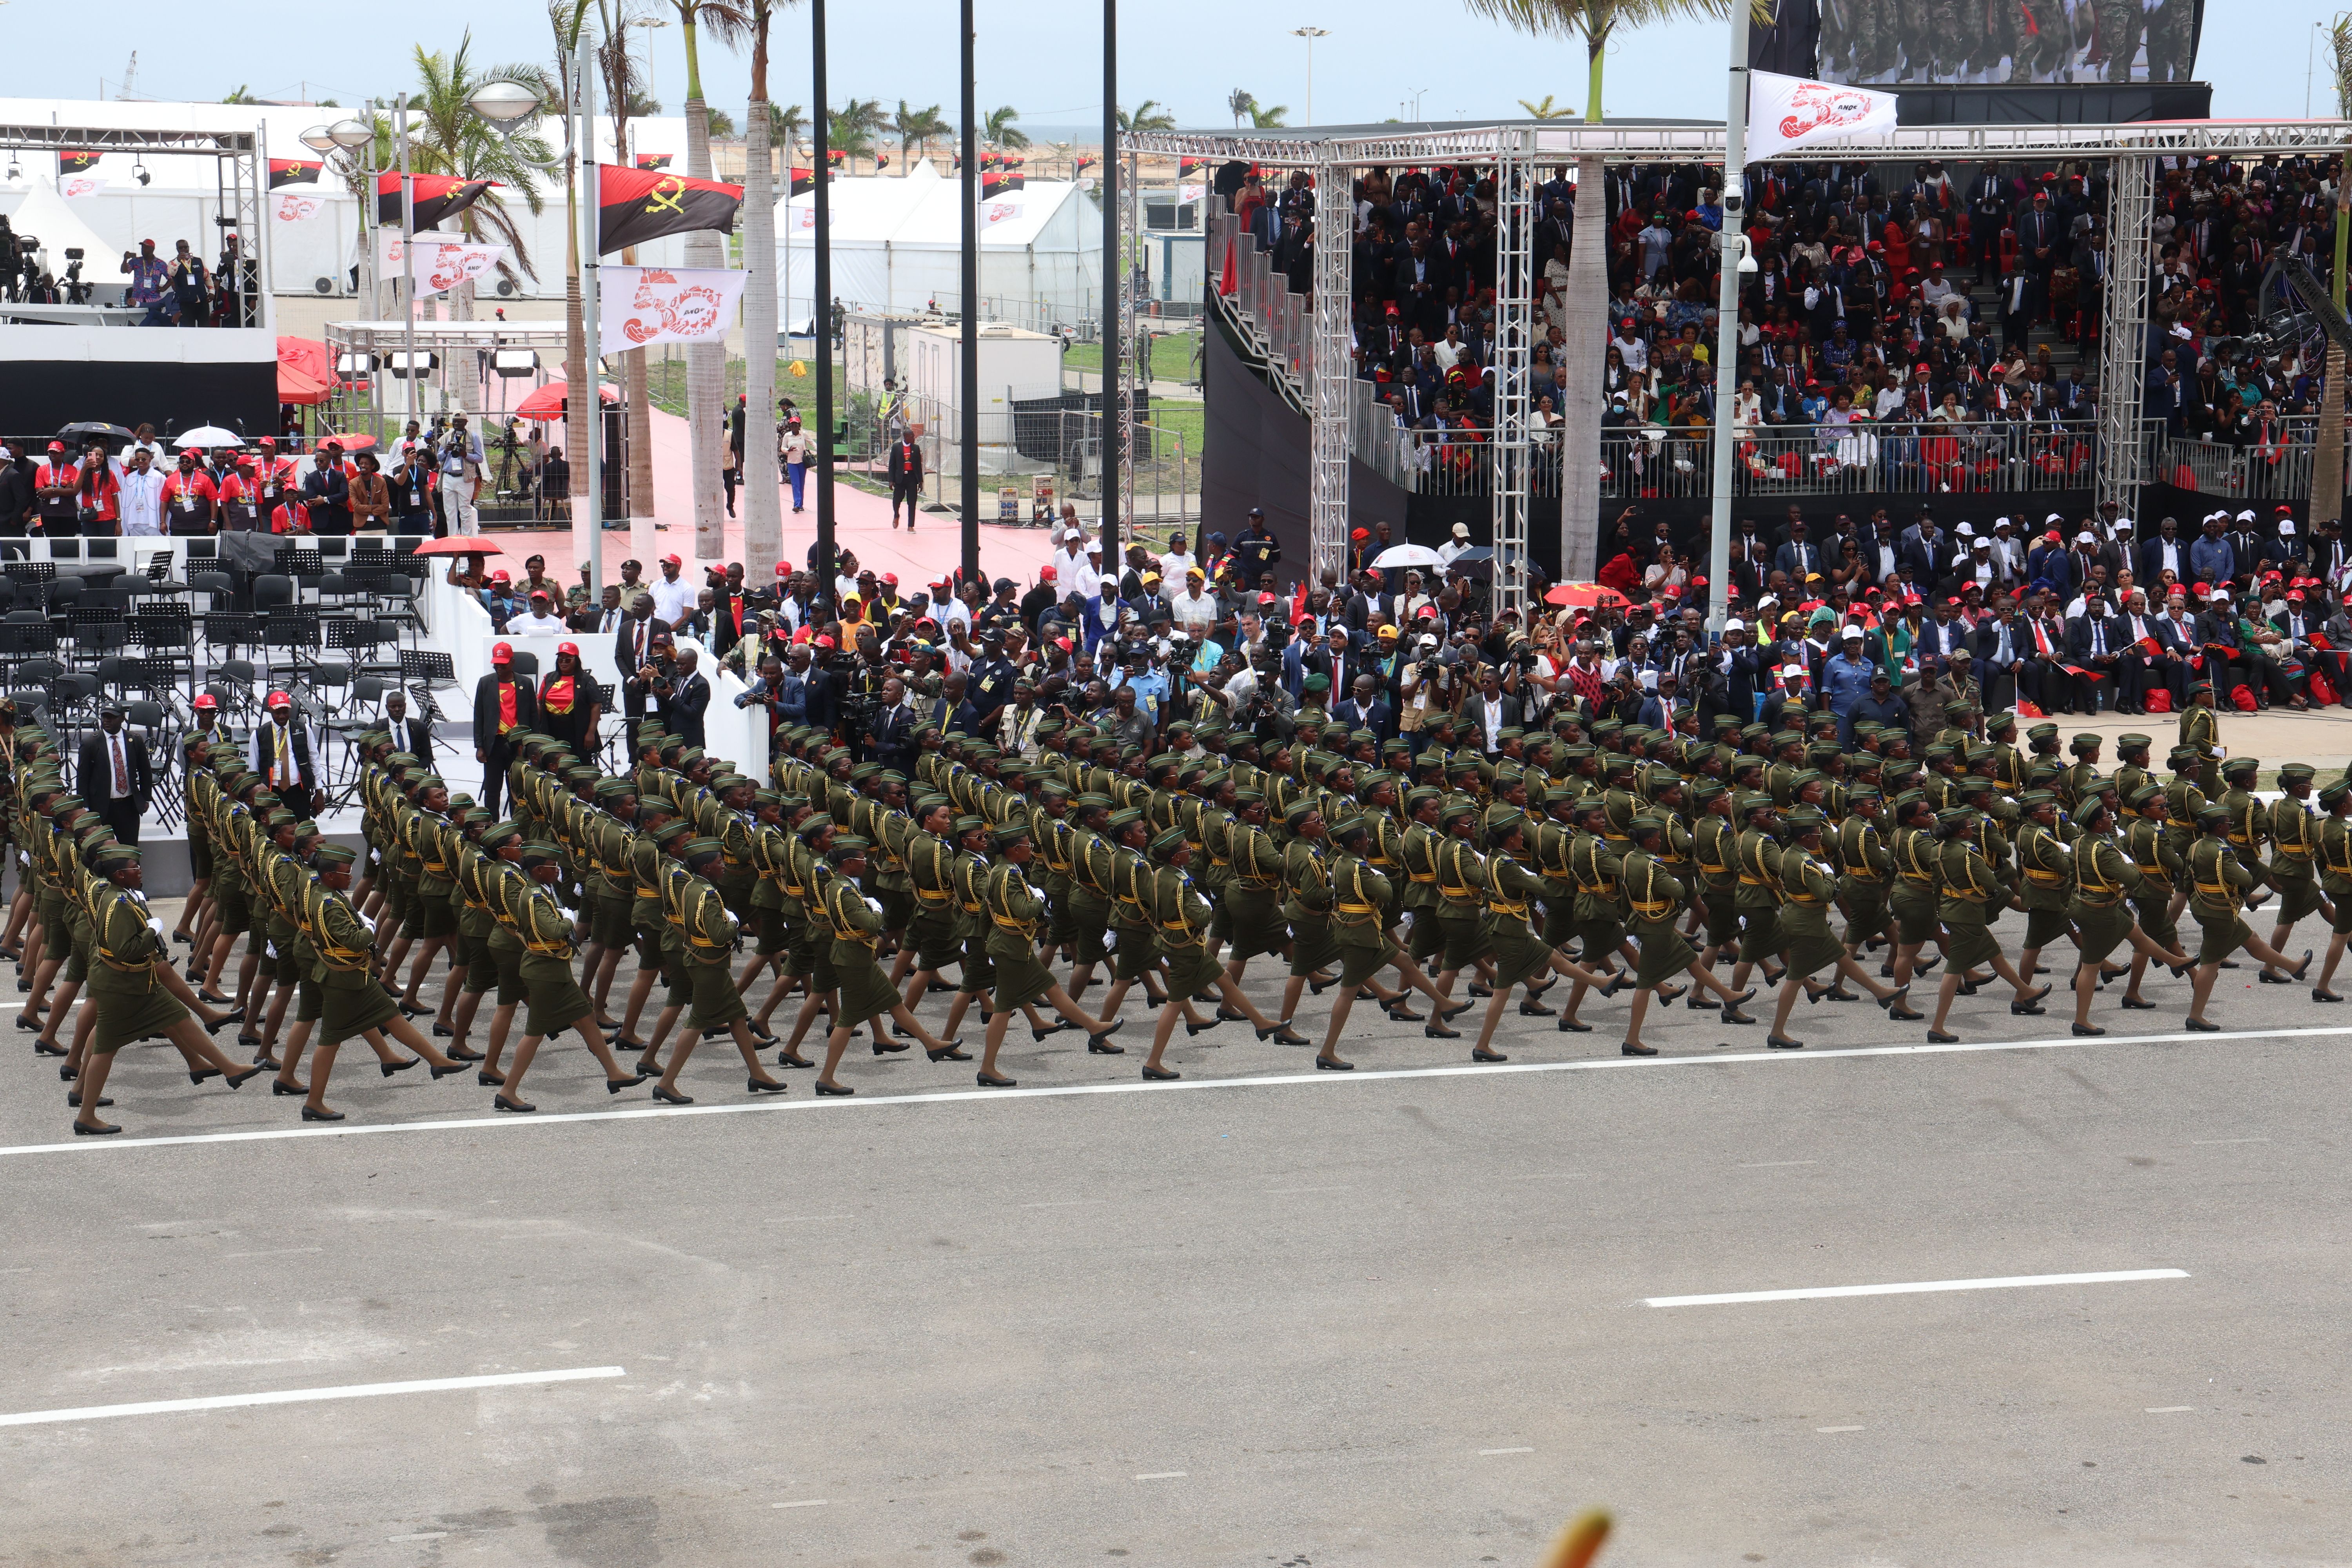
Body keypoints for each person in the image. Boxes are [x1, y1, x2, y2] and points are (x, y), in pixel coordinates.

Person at [472, 642, 539, 818]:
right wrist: (479, 746)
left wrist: (533, 745)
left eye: (503, 664)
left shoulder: (525, 683)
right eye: (496, 664)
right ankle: (492, 825)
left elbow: (533, 715)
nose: (499, 667)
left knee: (516, 790)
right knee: (492, 789)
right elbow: (479, 716)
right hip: (494, 744)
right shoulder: (485, 683)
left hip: (518, 745)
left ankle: (517, 824)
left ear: (513, 662)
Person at [77, 704, 152, 848]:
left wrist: (145, 798)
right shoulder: (90, 743)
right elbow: (82, 776)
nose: (107, 720)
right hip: (101, 806)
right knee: (100, 849)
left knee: (129, 848)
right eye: (104, 717)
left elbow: (145, 771)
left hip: (128, 805)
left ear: (123, 718)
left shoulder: (135, 740)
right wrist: (84, 805)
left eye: (112, 717)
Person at [887, 430, 923, 528]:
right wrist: (891, 480)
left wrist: (921, 481)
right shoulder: (896, 447)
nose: (914, 438)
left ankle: (911, 526)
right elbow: (892, 465)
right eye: (912, 437)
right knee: (897, 500)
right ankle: (896, 515)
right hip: (900, 478)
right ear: (906, 437)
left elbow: (919, 466)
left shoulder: (916, 448)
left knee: (912, 502)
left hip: (912, 478)